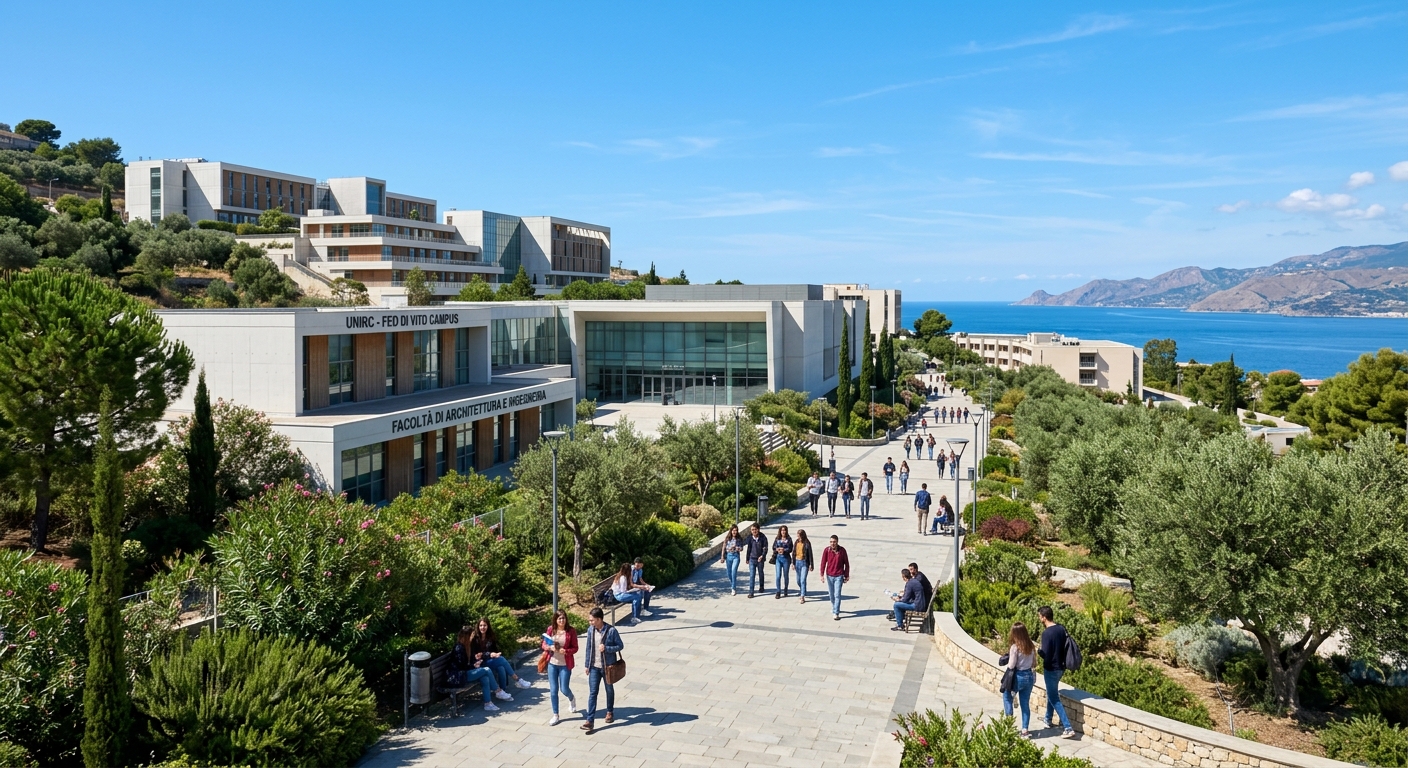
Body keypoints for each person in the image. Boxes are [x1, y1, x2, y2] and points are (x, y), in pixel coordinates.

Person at [581, 607, 624, 734]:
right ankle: (590, 721)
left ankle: (610, 711)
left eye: (592, 620)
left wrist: (607, 648)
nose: (590, 623)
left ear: (599, 619)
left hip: (608, 667)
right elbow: (588, 648)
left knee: (609, 690)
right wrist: (587, 665)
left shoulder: (611, 631)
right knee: (593, 693)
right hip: (594, 667)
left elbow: (620, 646)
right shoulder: (590, 630)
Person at [1036, 605, 1076, 738]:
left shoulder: (1047, 633)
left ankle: (1068, 727)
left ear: (1044, 617)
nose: (1039, 619)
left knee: (1053, 697)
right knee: (1051, 692)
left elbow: (1046, 654)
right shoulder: (1061, 628)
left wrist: (1038, 651)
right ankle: (1048, 719)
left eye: (1039, 616)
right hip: (1061, 668)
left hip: (1051, 669)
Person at [453, 626, 512, 712]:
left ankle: (488, 704)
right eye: (471, 635)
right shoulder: (459, 648)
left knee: (484, 677)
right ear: (467, 636)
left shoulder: (467, 646)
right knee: (486, 670)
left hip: (466, 672)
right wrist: (473, 666)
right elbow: (461, 666)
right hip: (460, 676)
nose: (473, 637)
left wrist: (476, 662)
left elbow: (469, 661)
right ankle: (498, 691)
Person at [471, 618, 533, 692]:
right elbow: (477, 654)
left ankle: (502, 691)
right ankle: (517, 679)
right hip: (480, 663)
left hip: (489, 661)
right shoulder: (475, 638)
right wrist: (490, 654)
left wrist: (495, 654)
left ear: (488, 626)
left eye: (484, 625)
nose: (482, 627)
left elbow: (494, 649)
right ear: (478, 626)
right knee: (501, 659)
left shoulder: (490, 637)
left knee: (501, 667)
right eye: (481, 625)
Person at [999, 622, 1038, 738]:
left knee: (1007, 697)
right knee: (1025, 704)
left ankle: (1009, 727)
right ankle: (1025, 730)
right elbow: (1034, 663)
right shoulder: (1031, 646)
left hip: (1018, 677)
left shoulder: (1015, 647)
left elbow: (1011, 665)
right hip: (1029, 677)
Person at [541, 609, 579, 725]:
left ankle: (572, 698)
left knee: (564, 689)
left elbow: (575, 648)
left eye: (563, 618)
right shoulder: (551, 629)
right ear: (555, 620)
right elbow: (544, 643)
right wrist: (548, 647)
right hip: (552, 663)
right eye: (559, 618)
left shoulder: (571, 631)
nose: (561, 620)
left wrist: (566, 651)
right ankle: (555, 714)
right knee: (553, 691)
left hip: (565, 664)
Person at [820, 535, 850, 620]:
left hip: (839, 575)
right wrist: (821, 574)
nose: (832, 543)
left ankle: (836, 612)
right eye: (831, 542)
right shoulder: (827, 550)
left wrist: (846, 575)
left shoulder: (842, 551)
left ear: (837, 542)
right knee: (831, 595)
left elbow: (846, 563)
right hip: (829, 575)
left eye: (834, 542)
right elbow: (823, 562)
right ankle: (834, 607)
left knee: (837, 594)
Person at [745, 523, 769, 597]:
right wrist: (747, 558)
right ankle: (751, 592)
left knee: (760, 573)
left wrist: (762, 556)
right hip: (752, 559)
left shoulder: (763, 537)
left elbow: (765, 548)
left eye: (755, 529)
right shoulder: (750, 538)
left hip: (760, 559)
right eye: (752, 530)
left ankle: (761, 586)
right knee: (752, 575)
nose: (754, 531)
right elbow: (748, 548)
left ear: (758, 529)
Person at [720, 524, 744, 595]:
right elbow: (724, 547)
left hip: (736, 556)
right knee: (729, 573)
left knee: (734, 571)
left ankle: (733, 588)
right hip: (728, 556)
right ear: (731, 531)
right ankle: (733, 584)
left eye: (736, 530)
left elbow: (741, 548)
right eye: (733, 530)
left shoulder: (739, 539)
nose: (735, 532)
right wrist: (722, 556)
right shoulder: (727, 538)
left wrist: (737, 548)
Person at [771, 525, 794, 599]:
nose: (783, 532)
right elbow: (773, 547)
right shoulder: (777, 538)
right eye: (782, 530)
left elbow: (791, 549)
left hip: (786, 558)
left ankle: (786, 589)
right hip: (778, 558)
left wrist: (784, 550)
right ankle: (778, 591)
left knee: (785, 575)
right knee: (778, 575)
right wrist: (777, 549)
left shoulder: (789, 539)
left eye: (784, 530)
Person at [793, 530, 814, 603]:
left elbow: (810, 554)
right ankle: (803, 589)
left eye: (799, 536)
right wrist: (793, 563)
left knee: (802, 579)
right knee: (798, 580)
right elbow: (793, 553)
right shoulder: (796, 542)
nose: (798, 538)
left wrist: (811, 564)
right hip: (797, 562)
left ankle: (802, 596)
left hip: (805, 563)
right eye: (797, 536)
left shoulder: (807, 543)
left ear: (802, 536)